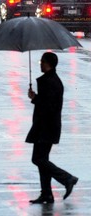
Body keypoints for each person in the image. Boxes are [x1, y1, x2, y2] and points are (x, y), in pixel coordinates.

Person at [26, 52, 78, 204]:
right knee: (42, 159)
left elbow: (49, 106)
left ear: (47, 63)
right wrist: (35, 98)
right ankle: (47, 194)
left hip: (46, 127)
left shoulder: (51, 82)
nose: (40, 64)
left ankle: (67, 178)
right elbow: (47, 102)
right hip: (45, 127)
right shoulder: (50, 80)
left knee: (38, 159)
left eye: (41, 62)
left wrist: (36, 99)